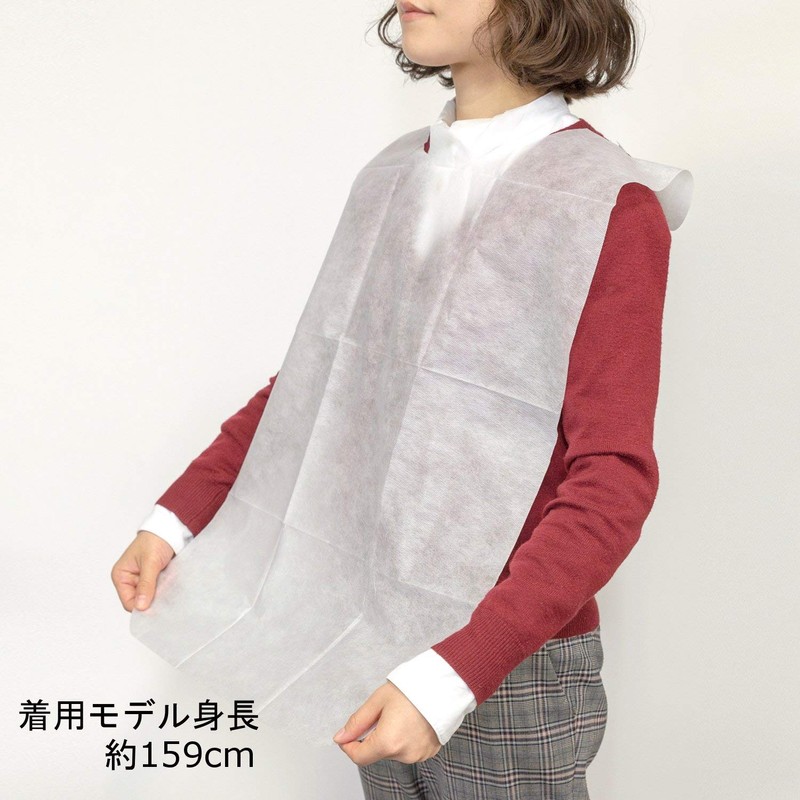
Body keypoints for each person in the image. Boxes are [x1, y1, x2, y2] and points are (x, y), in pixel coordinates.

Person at [112, 1, 688, 797]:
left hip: (506, 657)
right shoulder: (394, 176)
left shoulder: (603, 201)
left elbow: (612, 478)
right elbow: (317, 383)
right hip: (367, 629)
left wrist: (457, 672)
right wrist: (175, 520)